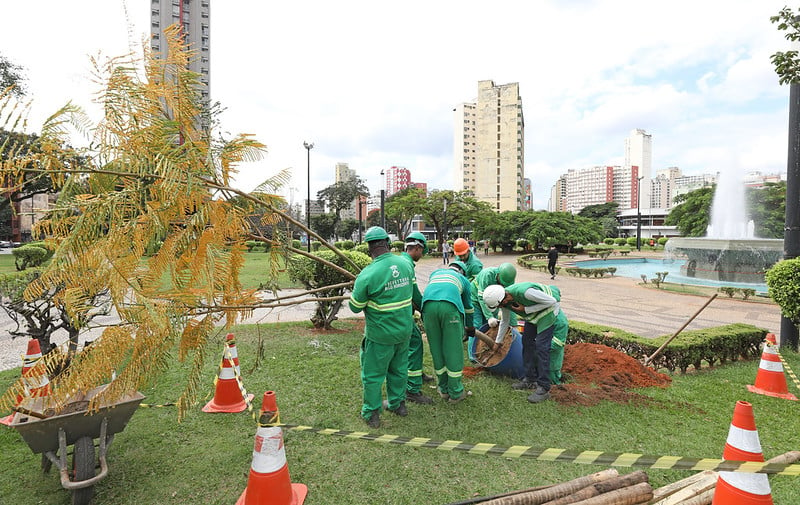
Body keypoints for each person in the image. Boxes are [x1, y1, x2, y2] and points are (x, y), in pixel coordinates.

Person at [349, 226, 416, 428]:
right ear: (388, 242)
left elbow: (354, 307)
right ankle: (398, 404)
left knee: (373, 375)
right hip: (404, 331)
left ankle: (371, 413)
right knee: (399, 369)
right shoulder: (405, 265)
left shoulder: (367, 275)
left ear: (369, 247)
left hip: (380, 336)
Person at [482, 282, 561, 403]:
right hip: (533, 315)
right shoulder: (504, 301)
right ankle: (530, 379)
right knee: (527, 341)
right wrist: (498, 342)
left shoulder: (525, 292)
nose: (500, 307)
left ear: (504, 297)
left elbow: (552, 301)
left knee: (541, 346)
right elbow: (505, 321)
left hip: (548, 312)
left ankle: (544, 387)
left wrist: (526, 309)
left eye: (499, 305)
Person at [421, 260, 475, 403]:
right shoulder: (463, 280)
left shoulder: (435, 273)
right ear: (462, 272)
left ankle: (443, 389)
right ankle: (456, 393)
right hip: (449, 308)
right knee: (453, 350)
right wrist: (470, 327)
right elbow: (468, 307)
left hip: (427, 309)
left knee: (436, 349)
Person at [401, 232, 433, 405]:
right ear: (417, 248)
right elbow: (415, 293)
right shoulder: (407, 265)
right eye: (422, 251)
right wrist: (424, 307)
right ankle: (412, 389)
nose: (422, 255)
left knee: (408, 346)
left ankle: (416, 372)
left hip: (401, 311)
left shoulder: (402, 261)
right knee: (415, 343)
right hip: (402, 313)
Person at [467, 262, 517, 361]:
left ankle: (485, 351)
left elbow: (509, 303)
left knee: (489, 328)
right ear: (498, 275)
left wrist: (514, 324)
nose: (503, 285)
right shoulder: (487, 275)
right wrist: (489, 317)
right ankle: (473, 356)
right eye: (502, 283)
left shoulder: (508, 282)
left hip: (493, 301)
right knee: (476, 327)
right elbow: (481, 298)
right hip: (476, 299)